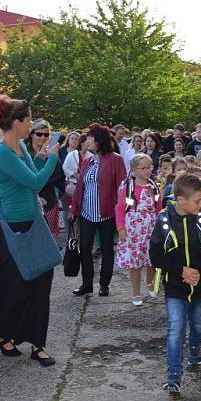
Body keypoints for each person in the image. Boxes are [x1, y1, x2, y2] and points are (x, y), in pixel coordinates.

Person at [0, 95, 60, 368]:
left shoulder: (19, 146)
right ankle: (2, 333)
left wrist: (42, 159)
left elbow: (32, 177)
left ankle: (37, 345)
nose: (31, 124)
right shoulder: (0, 152)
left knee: (41, 285)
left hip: (33, 223)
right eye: (28, 119)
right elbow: (35, 183)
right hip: (9, 230)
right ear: (16, 122)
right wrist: (52, 159)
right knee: (10, 288)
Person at [150, 174, 201, 394]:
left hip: (200, 285)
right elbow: (155, 255)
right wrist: (180, 271)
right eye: (197, 200)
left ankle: (195, 352)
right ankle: (173, 375)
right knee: (176, 328)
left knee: (198, 324)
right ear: (181, 200)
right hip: (175, 287)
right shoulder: (163, 222)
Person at [70, 123, 127, 296]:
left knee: (107, 249)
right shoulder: (88, 160)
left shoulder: (115, 159)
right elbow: (81, 187)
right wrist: (74, 209)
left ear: (98, 140)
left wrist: (122, 211)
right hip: (87, 213)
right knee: (85, 248)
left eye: (89, 137)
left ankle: (104, 284)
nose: (86, 140)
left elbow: (122, 186)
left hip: (107, 213)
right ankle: (87, 284)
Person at [115, 154, 163, 306]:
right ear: (134, 170)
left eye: (149, 167)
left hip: (151, 227)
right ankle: (136, 292)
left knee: (153, 258)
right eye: (143, 168)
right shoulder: (128, 187)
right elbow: (120, 209)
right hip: (133, 229)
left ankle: (150, 282)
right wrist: (121, 228)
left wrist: (161, 225)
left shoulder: (154, 186)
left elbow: (159, 207)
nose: (147, 170)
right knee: (135, 262)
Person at [25, 120, 64, 236]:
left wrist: (40, 181)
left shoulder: (52, 153)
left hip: (48, 200)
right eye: (39, 134)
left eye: (46, 135)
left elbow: (58, 176)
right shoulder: (23, 152)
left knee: (48, 237)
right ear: (32, 134)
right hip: (28, 202)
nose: (42, 137)